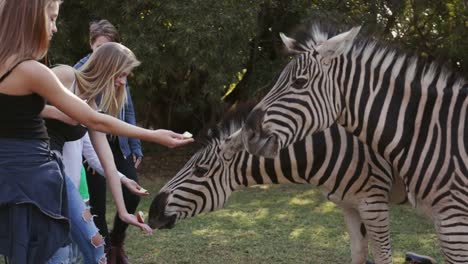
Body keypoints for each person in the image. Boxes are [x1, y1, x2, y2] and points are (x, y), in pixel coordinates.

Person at [0, 0, 193, 263]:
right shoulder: (58, 74)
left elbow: (105, 156)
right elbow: (88, 119)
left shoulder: (84, 100)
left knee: (91, 248)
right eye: (52, 19)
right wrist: (154, 134)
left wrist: (123, 210)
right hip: (36, 174)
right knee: (56, 253)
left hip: (47, 174)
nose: (55, 28)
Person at [74, 19, 145, 262]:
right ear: (92, 46)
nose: (122, 81)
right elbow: (89, 122)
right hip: (80, 151)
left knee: (132, 191)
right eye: (100, 48)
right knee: (95, 210)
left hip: (111, 144)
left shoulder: (116, 77)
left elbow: (126, 110)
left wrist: (135, 145)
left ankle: (113, 245)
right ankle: (103, 253)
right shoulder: (75, 75)